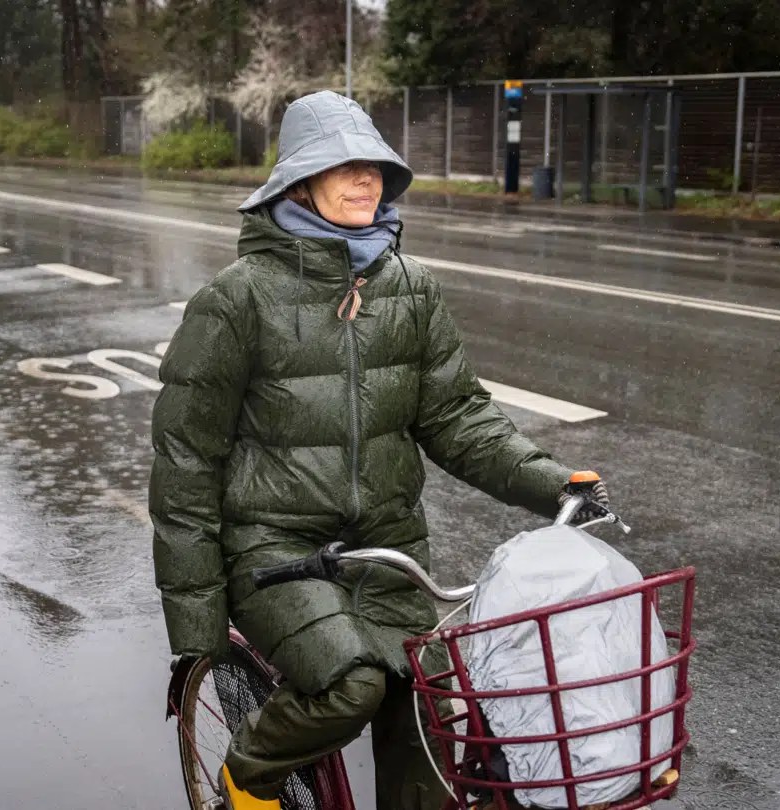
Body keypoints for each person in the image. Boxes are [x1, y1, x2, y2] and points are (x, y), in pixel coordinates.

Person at [150, 90, 609, 810]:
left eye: (377, 167)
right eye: (345, 166)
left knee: (434, 705)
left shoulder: (411, 289)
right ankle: (248, 775)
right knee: (353, 685)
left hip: (389, 552)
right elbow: (186, 460)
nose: (367, 179)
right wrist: (198, 625)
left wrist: (554, 484)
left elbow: (458, 416)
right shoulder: (237, 300)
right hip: (276, 555)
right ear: (300, 183)